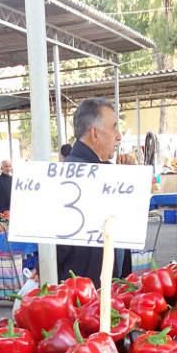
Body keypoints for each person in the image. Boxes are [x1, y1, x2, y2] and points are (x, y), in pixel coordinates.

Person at [57, 98, 125, 287]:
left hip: (92, 287)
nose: (118, 136)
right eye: (114, 128)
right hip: (85, 290)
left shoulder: (100, 170)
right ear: (94, 133)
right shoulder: (75, 175)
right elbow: (58, 245)